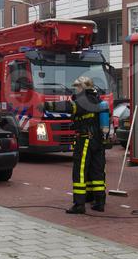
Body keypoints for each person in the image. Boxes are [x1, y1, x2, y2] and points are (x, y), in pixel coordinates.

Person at [37, 76, 108, 214]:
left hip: (85, 140)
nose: (77, 89)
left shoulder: (83, 100)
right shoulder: (98, 100)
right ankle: (99, 202)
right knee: (97, 170)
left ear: (84, 88)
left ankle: (79, 205)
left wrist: (47, 105)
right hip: (98, 141)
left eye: (78, 87)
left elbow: (68, 106)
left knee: (80, 171)